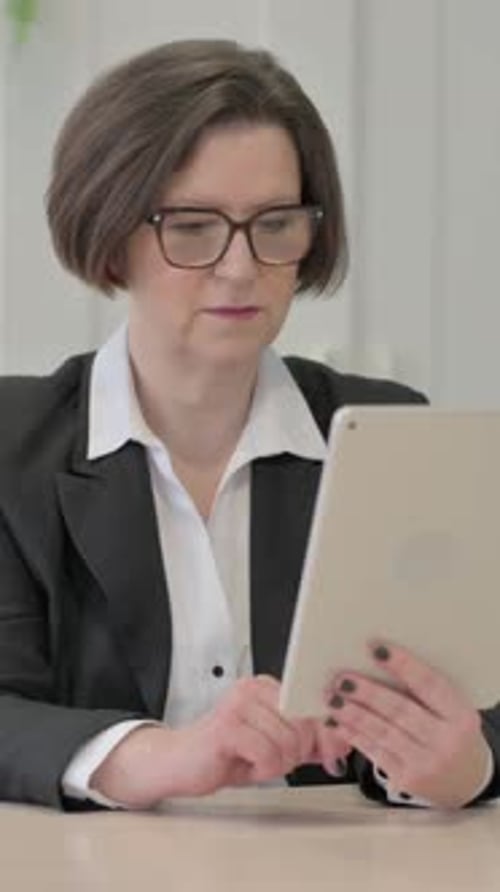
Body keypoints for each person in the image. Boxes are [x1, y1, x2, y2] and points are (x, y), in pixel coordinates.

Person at [0, 39, 497, 812]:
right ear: (107, 236)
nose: (241, 267)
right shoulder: (11, 445)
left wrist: (462, 765)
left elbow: (475, 693)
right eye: (192, 226)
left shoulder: (383, 434)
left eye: (276, 223)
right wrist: (154, 756)